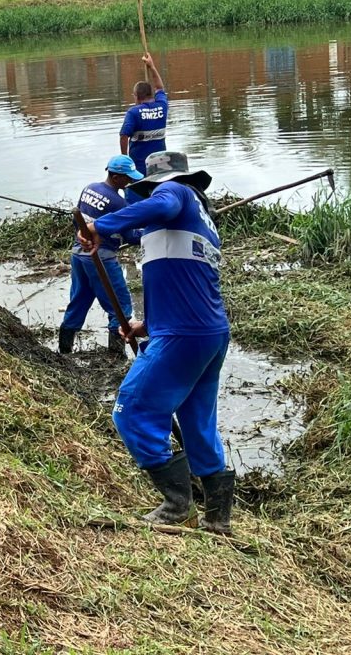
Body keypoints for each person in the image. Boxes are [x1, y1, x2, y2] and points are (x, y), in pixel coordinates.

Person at [79, 151, 234, 533]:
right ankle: (218, 518)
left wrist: (99, 225)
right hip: (207, 332)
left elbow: (162, 202)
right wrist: (144, 325)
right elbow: (183, 284)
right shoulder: (200, 222)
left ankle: (178, 504)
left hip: (183, 336)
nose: (149, 198)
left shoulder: (177, 194)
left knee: (132, 409)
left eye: (150, 190)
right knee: (197, 422)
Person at [58, 154, 144, 356]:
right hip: (101, 259)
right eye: (127, 177)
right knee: (120, 307)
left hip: (78, 255)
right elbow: (130, 236)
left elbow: (76, 223)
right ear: (115, 177)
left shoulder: (89, 188)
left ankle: (64, 352)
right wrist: (150, 232)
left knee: (79, 300)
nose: (130, 181)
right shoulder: (118, 203)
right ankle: (116, 356)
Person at [120, 52, 168, 204]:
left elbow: (123, 136)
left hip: (139, 166)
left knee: (137, 199)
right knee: (158, 195)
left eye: (134, 96)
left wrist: (124, 158)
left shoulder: (133, 112)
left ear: (137, 97)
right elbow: (160, 87)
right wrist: (152, 67)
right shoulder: (162, 106)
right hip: (160, 165)